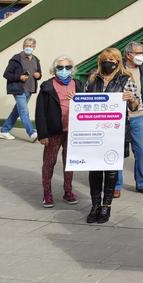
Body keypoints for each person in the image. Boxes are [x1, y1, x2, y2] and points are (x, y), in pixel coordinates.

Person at [85, 48, 140, 223]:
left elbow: (135, 106)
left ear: (118, 61)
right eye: (105, 59)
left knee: (110, 170)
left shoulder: (126, 79)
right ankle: (94, 206)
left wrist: (131, 98)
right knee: (94, 169)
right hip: (95, 132)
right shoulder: (93, 79)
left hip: (115, 132)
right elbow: (85, 101)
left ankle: (106, 206)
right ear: (100, 61)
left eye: (112, 59)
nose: (109, 62)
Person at [35, 54, 83, 208]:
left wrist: (78, 98)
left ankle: (68, 191)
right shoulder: (47, 86)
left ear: (72, 69)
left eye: (67, 67)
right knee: (49, 162)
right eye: (60, 67)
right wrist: (43, 134)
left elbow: (88, 104)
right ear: (54, 69)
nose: (64, 70)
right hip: (54, 131)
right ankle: (47, 193)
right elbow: (40, 112)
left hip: (73, 131)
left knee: (70, 163)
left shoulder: (79, 85)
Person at [115, 41, 143, 196]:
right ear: (128, 55)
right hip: (121, 117)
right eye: (137, 53)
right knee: (118, 150)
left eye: (142, 53)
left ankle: (142, 183)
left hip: (139, 116)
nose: (140, 56)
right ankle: (116, 185)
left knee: (142, 150)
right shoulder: (118, 71)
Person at [0, 37, 42, 141]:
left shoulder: (36, 59)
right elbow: (6, 74)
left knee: (17, 111)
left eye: (30, 46)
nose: (28, 47)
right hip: (19, 89)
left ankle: (4, 130)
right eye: (26, 45)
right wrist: (19, 77)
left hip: (30, 89)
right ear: (23, 46)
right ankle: (31, 133)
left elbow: (39, 74)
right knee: (24, 111)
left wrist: (38, 75)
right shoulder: (17, 58)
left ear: (34, 47)